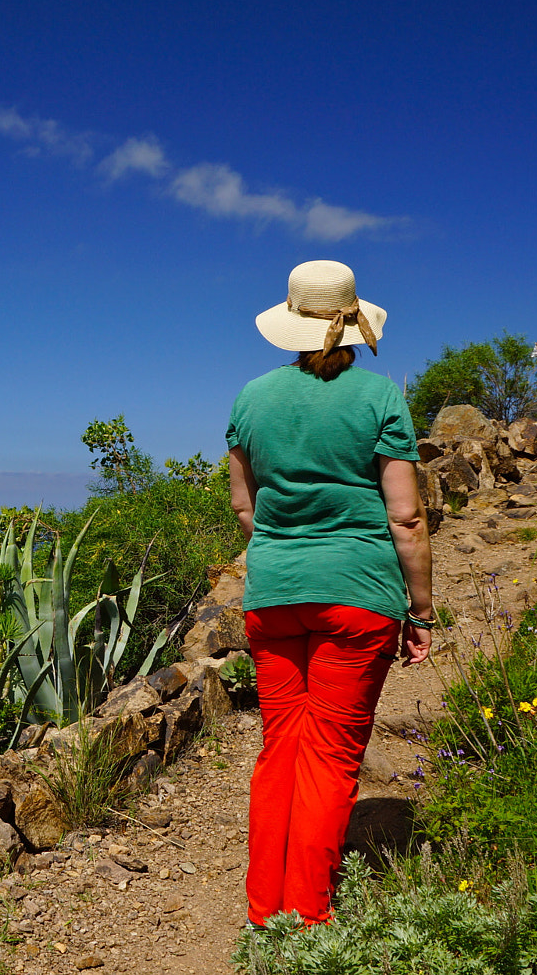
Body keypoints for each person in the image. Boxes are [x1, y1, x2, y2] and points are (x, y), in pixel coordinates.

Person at [225, 259, 434, 928]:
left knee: (282, 749)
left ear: (290, 322)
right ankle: (310, 919)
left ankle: (267, 912)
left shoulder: (251, 398)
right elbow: (405, 517)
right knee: (331, 757)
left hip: (274, 596)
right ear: (350, 326)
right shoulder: (378, 399)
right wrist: (422, 609)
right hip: (358, 596)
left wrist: (290, 549)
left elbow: (244, 509)